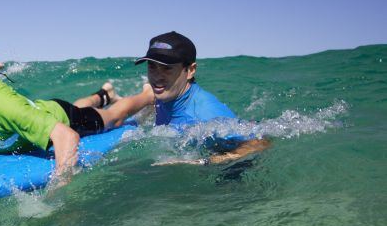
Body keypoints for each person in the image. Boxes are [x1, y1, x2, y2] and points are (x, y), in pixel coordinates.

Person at [0, 33, 152, 183]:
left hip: (66, 119)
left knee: (113, 117)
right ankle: (104, 95)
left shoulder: (5, 106)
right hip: (44, 111)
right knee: (77, 107)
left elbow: (68, 137)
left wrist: (59, 186)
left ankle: (147, 95)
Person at [101, 30, 270, 164]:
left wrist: (202, 161)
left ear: (190, 70)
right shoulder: (166, 93)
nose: (157, 77)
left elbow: (260, 143)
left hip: (229, 176)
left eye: (167, 68)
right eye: (152, 67)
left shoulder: (205, 113)